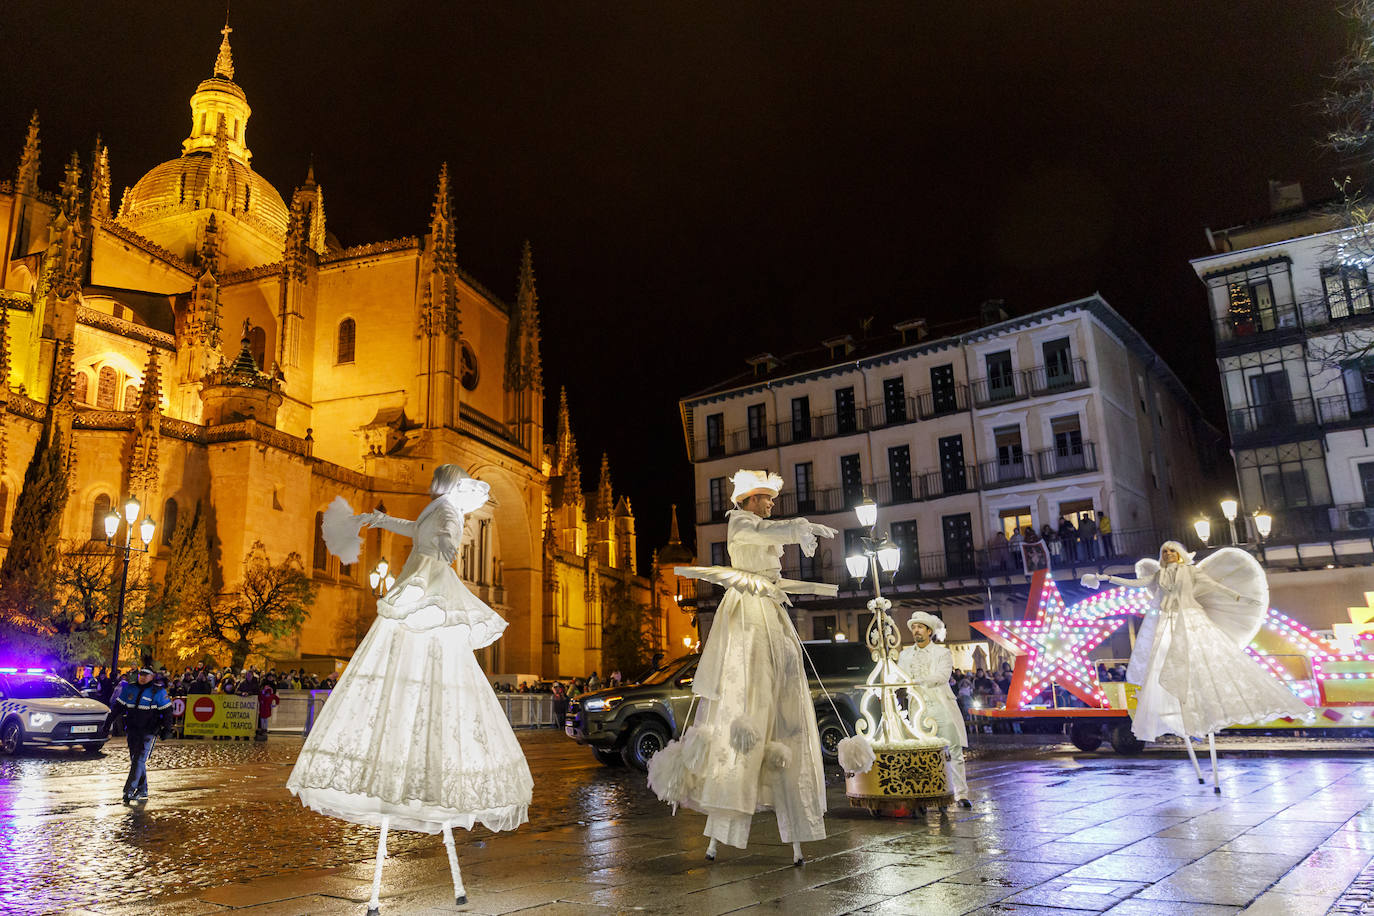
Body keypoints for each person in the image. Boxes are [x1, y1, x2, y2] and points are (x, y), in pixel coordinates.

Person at [288, 465, 532, 912]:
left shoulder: (445, 509)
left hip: (424, 577)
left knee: (415, 653)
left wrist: (430, 542)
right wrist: (384, 523)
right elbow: (428, 534)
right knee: (413, 657)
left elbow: (439, 541)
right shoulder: (442, 508)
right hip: (423, 576)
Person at [648, 469, 838, 865]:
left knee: (782, 695)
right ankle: (721, 833)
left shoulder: (759, 525)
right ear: (750, 499)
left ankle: (791, 833)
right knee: (745, 693)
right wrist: (798, 528)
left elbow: (771, 542)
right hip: (749, 614)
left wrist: (801, 530)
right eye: (766, 498)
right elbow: (762, 535)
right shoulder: (740, 524)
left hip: (769, 612)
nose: (771, 505)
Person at [1082, 541, 1309, 789]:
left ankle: (1207, 719)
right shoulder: (1159, 575)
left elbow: (1214, 586)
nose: (1168, 555)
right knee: (1166, 668)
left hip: (1192, 621)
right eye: (1164, 552)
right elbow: (1137, 583)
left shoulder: (1192, 572)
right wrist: (1107, 578)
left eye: (1172, 551)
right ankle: (1189, 730)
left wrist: (1239, 597)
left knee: (1203, 664)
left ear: (1179, 554)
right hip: (1166, 624)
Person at [897, 612, 971, 807]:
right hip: (918, 709)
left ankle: (961, 794)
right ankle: (929, 793)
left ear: (929, 631)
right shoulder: (905, 655)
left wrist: (918, 681)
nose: (916, 631)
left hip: (941, 706)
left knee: (953, 749)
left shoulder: (942, 653)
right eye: (913, 628)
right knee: (922, 751)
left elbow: (942, 675)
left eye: (920, 627)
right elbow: (898, 677)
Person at [109, 667, 174, 803]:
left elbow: (168, 712)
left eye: (146, 675)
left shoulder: (158, 691)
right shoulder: (130, 689)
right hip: (133, 730)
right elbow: (118, 708)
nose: (143, 677)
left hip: (149, 731)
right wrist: (107, 723)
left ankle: (129, 790)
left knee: (139, 759)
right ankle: (142, 789)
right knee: (136, 760)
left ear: (152, 676)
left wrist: (167, 729)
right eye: (141, 675)